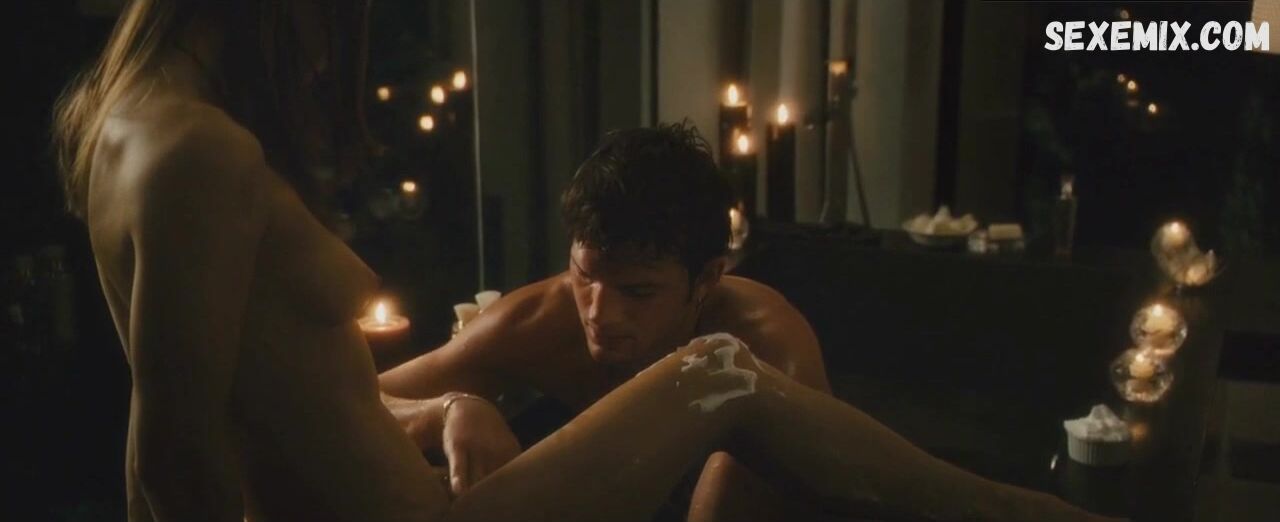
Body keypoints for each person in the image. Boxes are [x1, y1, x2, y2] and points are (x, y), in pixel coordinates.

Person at [54, 1, 1125, 521]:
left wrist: (450, 410)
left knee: (732, 374)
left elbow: (226, 415)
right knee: (721, 377)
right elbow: (172, 455)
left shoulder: (121, 122)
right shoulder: (199, 153)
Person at [378, 122, 834, 519]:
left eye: (637, 291)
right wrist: (446, 410)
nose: (598, 313)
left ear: (708, 278)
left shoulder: (767, 353)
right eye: (584, 276)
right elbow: (360, 401)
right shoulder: (546, 319)